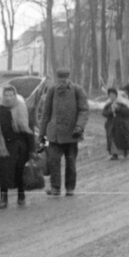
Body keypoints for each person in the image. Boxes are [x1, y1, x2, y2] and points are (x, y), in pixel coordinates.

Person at [38, 67, 89, 197]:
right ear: (57, 79)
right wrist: (41, 136)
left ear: (68, 79)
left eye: (64, 80)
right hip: (54, 134)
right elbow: (46, 114)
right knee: (53, 161)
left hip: (72, 134)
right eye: (60, 80)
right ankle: (55, 187)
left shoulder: (77, 90)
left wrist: (79, 127)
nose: (62, 82)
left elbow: (84, 110)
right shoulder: (52, 91)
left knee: (71, 163)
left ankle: (70, 188)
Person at [0, 86, 35, 209]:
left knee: (19, 170)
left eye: (11, 94)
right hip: (3, 145)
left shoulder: (21, 107)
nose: (8, 97)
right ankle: (3, 198)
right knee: (2, 171)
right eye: (6, 95)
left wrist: (32, 150)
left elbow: (28, 129)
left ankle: (21, 195)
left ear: (15, 95)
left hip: (19, 144)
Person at [103, 87, 129, 160]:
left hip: (121, 125)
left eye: (113, 95)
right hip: (111, 125)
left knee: (123, 139)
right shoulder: (108, 104)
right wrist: (110, 111)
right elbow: (104, 113)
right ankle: (114, 154)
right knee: (112, 139)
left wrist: (119, 109)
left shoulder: (122, 103)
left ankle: (124, 151)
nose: (112, 97)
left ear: (116, 95)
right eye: (110, 95)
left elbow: (128, 113)